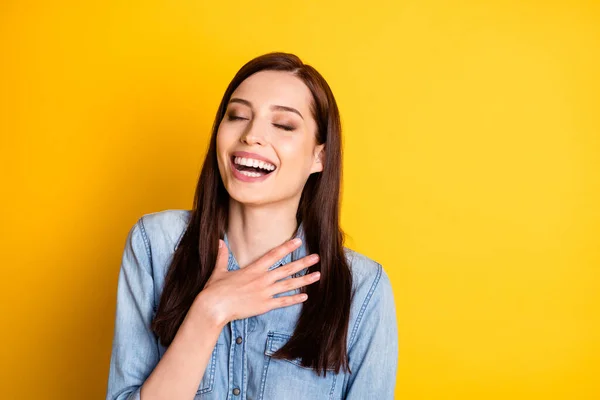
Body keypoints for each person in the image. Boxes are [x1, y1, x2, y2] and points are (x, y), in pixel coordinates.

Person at [106, 52, 398, 400]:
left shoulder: (362, 288)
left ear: (319, 156)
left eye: (284, 125)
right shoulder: (155, 243)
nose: (251, 135)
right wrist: (210, 311)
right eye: (238, 116)